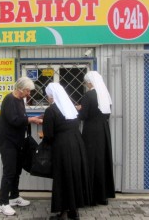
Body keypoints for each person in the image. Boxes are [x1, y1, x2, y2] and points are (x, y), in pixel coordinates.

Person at [0, 76, 43, 216]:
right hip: (7, 142)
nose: (29, 94)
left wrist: (35, 118)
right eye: (28, 91)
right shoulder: (9, 100)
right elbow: (14, 120)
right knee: (9, 171)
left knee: (17, 170)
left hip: (17, 141)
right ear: (20, 89)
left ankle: (14, 197)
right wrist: (31, 119)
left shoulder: (20, 100)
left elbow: (21, 118)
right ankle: (3, 203)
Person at [42, 82, 90, 220]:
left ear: (52, 96)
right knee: (74, 177)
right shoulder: (71, 108)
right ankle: (74, 211)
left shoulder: (51, 111)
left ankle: (62, 212)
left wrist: (45, 146)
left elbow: (49, 134)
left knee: (62, 178)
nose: (47, 98)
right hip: (77, 144)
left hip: (62, 147)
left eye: (48, 96)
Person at [76, 71, 115, 206]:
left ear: (90, 82)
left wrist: (79, 109)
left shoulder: (88, 95)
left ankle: (91, 197)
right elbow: (106, 113)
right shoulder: (105, 94)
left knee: (91, 162)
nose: (86, 84)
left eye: (86, 82)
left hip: (91, 132)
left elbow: (83, 116)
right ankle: (103, 196)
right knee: (102, 161)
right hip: (103, 131)